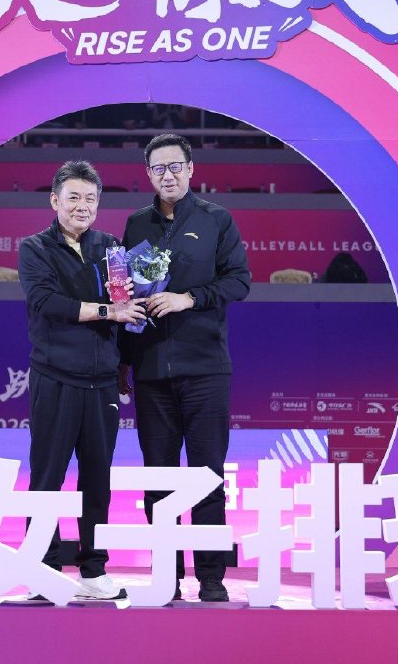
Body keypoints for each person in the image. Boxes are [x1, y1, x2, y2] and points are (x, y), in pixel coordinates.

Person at [120, 133, 252, 602]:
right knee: (158, 477)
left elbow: (239, 282)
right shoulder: (136, 224)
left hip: (205, 369)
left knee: (206, 476)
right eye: (158, 168)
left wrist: (188, 298)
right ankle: (167, 576)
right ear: (148, 174)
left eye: (175, 166)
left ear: (191, 168)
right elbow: (125, 294)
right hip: (151, 371)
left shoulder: (217, 219)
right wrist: (124, 362)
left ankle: (211, 577)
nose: (168, 175)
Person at [17, 161, 147, 601]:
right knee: (47, 477)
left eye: (90, 198)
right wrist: (109, 311)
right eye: (73, 197)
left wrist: (123, 363)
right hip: (55, 378)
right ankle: (44, 569)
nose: (82, 206)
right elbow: (47, 302)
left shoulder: (111, 248)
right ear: (55, 200)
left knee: (97, 479)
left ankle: (94, 570)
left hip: (102, 383)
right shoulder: (35, 248)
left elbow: (126, 305)